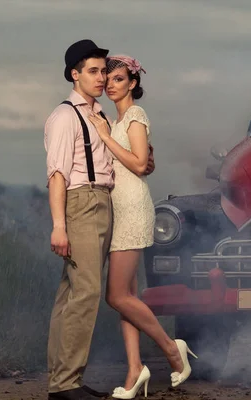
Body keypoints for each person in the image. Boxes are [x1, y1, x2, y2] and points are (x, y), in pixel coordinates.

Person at [44, 39, 155, 400]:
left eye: (103, 71)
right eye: (92, 71)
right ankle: (65, 385)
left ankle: (65, 382)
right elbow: (58, 174)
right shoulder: (65, 115)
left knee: (74, 293)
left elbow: (121, 161)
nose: (100, 78)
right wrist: (59, 225)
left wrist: (145, 161)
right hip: (82, 204)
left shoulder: (100, 115)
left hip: (104, 203)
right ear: (74, 75)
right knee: (86, 293)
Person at [86, 54, 197, 399]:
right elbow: (142, 159)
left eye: (118, 79)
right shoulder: (115, 119)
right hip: (117, 208)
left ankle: (170, 349)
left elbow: (136, 164)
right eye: (108, 78)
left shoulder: (135, 115)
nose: (110, 84)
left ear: (133, 83)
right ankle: (135, 371)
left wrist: (105, 137)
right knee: (127, 299)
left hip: (133, 207)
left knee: (116, 295)